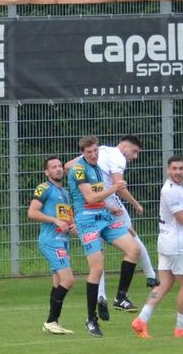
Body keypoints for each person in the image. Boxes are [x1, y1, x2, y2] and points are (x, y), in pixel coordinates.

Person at [67, 135, 141, 337]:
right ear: (83, 152)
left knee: (134, 249)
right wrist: (114, 189)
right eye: (89, 152)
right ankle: (91, 319)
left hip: (104, 216)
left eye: (95, 151)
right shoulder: (79, 169)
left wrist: (110, 207)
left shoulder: (97, 168)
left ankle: (120, 297)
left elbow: (97, 196)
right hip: (87, 221)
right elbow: (90, 198)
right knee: (97, 268)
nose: (93, 155)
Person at [93, 135, 157, 312]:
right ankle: (150, 277)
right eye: (134, 151)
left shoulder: (101, 150)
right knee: (131, 237)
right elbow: (118, 186)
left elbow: (69, 166)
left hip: (91, 204)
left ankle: (101, 297)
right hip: (108, 202)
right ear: (124, 146)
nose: (135, 156)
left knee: (96, 251)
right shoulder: (118, 156)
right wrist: (135, 203)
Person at [131, 156, 183, 340]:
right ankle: (180, 329)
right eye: (175, 168)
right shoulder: (171, 191)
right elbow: (181, 218)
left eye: (181, 169)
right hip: (176, 244)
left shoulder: (177, 189)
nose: (178, 172)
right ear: (168, 170)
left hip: (166, 242)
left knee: (165, 285)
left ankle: (141, 320)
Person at [27, 157, 75, 335]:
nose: (58, 169)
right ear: (46, 172)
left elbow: (65, 219)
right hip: (51, 241)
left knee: (58, 282)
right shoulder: (44, 188)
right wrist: (54, 220)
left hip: (62, 240)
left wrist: (73, 226)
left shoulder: (65, 192)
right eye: (53, 167)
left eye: (60, 166)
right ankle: (50, 321)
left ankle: (53, 321)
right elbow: (32, 212)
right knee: (68, 280)